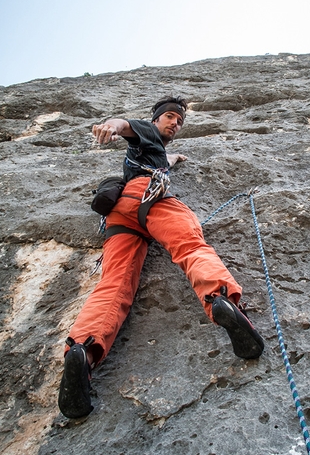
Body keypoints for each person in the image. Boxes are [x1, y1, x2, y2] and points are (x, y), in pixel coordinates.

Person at [58, 96, 264, 419]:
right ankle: (222, 300)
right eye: (170, 117)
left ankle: (82, 351)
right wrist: (111, 126)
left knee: (114, 284)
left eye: (179, 121)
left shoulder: (153, 151)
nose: (175, 123)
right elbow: (126, 126)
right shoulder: (146, 131)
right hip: (149, 197)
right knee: (190, 245)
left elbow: (161, 156)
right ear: (155, 120)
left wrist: (175, 158)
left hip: (119, 217)